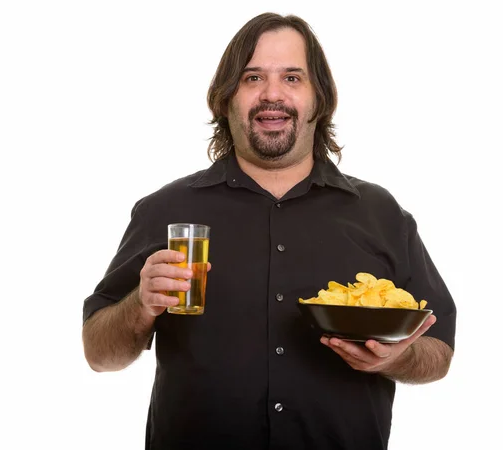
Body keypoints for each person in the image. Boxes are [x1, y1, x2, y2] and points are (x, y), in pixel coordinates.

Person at [81, 12, 456, 450]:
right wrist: (141, 306)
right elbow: (98, 353)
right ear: (226, 99)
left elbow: (439, 351)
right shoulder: (167, 210)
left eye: (292, 77)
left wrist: (398, 357)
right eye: (252, 77)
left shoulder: (380, 213)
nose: (271, 94)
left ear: (320, 98)